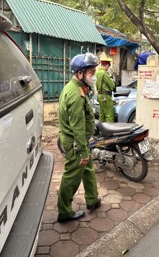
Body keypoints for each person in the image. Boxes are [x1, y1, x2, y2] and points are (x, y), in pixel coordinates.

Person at [57, 53, 101, 223]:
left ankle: (92, 200)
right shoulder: (76, 95)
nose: (94, 76)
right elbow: (77, 127)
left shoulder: (78, 88)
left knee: (88, 170)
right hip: (76, 144)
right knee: (71, 178)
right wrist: (82, 151)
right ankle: (64, 211)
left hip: (81, 142)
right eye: (91, 72)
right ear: (80, 73)